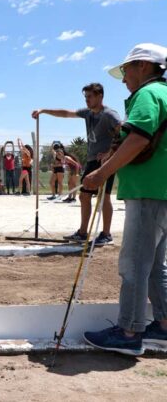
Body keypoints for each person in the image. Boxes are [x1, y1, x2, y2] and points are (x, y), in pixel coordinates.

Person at [82, 42, 167, 356]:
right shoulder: (164, 94)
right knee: (156, 265)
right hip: (161, 191)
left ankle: (129, 331)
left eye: (127, 70)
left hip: (147, 192)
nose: (123, 78)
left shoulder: (148, 94)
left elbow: (139, 136)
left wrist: (102, 172)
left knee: (133, 264)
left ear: (143, 66)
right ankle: (164, 325)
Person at [32, 82, 121, 245]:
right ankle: (82, 232)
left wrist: (109, 153)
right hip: (91, 160)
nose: (87, 100)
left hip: (105, 161)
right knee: (84, 196)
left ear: (100, 96)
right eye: (85, 97)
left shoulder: (109, 114)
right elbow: (66, 113)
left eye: (90, 96)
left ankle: (106, 233)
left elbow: (122, 131)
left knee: (103, 196)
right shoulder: (88, 113)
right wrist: (44, 111)